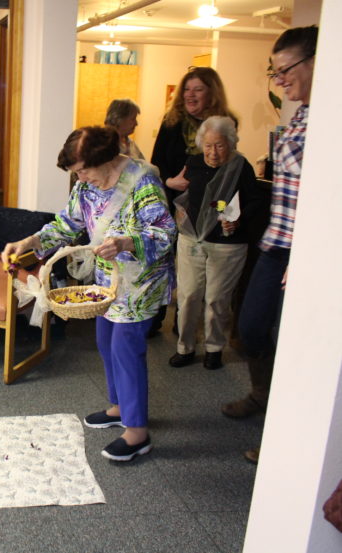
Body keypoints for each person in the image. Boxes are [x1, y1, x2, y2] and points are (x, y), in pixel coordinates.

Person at [1, 126, 176, 462]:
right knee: (105, 342)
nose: (80, 177)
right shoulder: (86, 185)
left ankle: (137, 432)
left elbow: (165, 233)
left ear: (107, 159)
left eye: (83, 170)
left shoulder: (143, 182)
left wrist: (127, 242)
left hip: (140, 281)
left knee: (126, 349)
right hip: (107, 281)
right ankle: (118, 407)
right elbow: (67, 224)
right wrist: (30, 242)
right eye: (76, 171)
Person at [221, 25, 318, 464]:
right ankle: (263, 394)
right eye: (274, 72)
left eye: (285, 70)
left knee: (294, 342)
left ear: (318, 61)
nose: (279, 80)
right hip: (278, 240)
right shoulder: (300, 114)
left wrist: (312, 257)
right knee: (253, 329)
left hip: (307, 251)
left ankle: (286, 431)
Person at [168, 116, 268, 370]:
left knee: (216, 299)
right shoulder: (193, 163)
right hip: (192, 240)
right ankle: (185, 347)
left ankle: (214, 349)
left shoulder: (240, 166)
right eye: (209, 145)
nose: (213, 152)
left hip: (228, 244)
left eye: (220, 146)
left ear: (230, 143)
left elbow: (256, 200)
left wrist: (238, 219)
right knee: (188, 295)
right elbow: (181, 192)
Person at [149, 67, 238, 337]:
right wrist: (168, 181)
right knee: (162, 260)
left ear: (212, 92)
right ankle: (153, 320)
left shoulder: (226, 122)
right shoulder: (172, 121)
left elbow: (228, 165)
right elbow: (156, 164)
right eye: (187, 89)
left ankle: (184, 325)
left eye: (198, 89)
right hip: (172, 202)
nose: (190, 95)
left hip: (207, 206)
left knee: (195, 267)